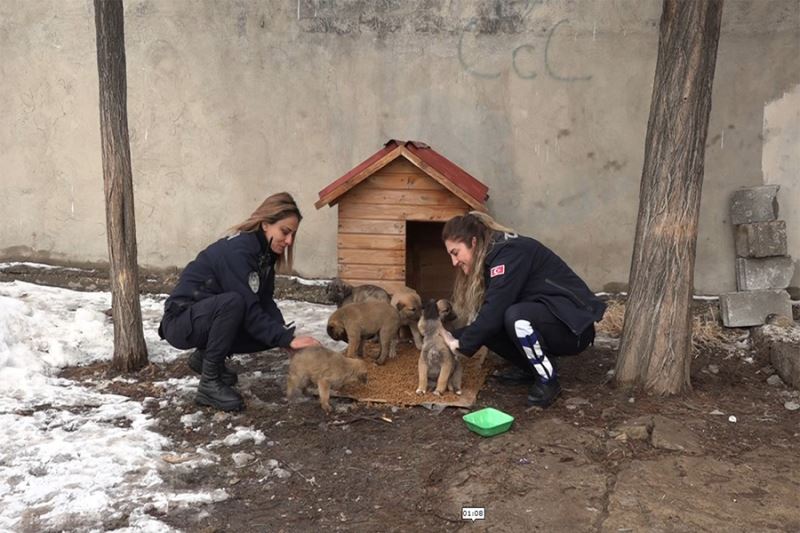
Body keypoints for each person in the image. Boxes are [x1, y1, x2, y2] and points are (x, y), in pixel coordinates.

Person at [158, 192, 320, 411]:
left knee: (268, 330)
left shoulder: (263, 254)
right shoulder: (239, 251)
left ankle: (204, 359)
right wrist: (284, 338)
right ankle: (209, 384)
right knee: (234, 303)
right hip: (181, 322)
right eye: (285, 232)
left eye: (293, 235)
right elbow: (248, 306)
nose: (289, 241)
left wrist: (284, 337)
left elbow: (264, 302)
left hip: (205, 319)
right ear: (265, 224)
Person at [438, 212, 606, 407]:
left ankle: (548, 380)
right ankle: (530, 368)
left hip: (573, 329)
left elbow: (494, 313)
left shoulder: (509, 255)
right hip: (550, 317)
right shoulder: (495, 253)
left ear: (473, 242)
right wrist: (450, 335)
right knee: (491, 325)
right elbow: (490, 318)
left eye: (455, 252)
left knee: (516, 318)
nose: (454, 262)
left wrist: (458, 342)